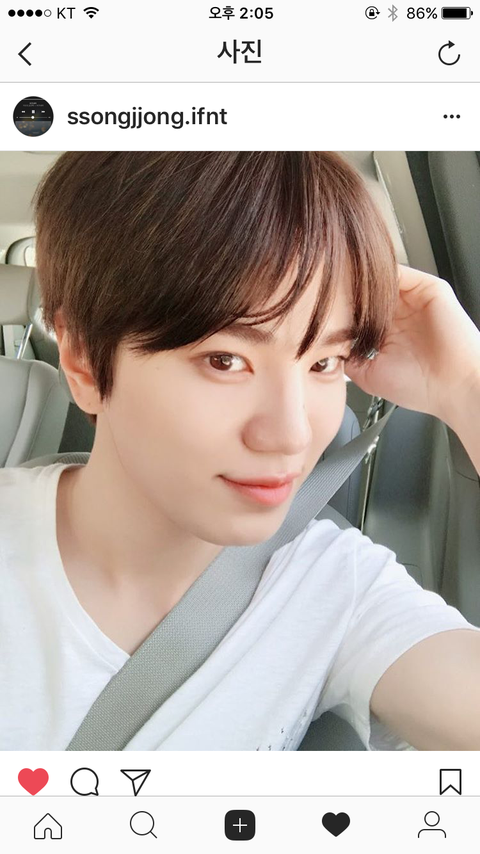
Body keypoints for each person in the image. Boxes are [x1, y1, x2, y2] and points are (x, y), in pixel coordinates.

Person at [0, 151, 479, 751]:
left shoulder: (338, 588)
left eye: (324, 362)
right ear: (83, 363)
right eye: (225, 360)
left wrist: (467, 386)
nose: (293, 435)